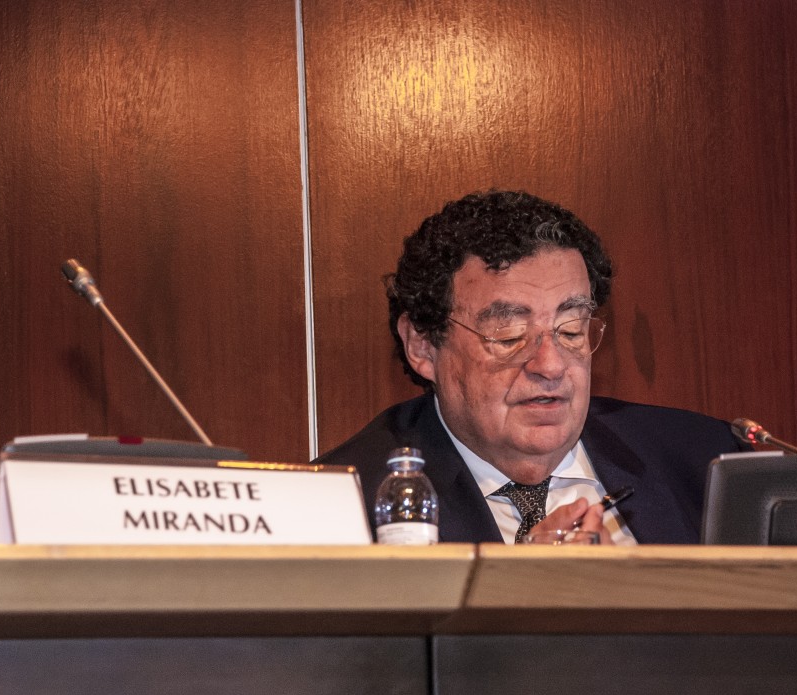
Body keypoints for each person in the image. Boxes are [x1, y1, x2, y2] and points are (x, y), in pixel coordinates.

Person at [316, 190, 746, 544]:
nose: (551, 365)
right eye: (509, 336)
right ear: (423, 345)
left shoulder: (712, 463)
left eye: (571, 330)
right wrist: (521, 595)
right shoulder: (334, 507)